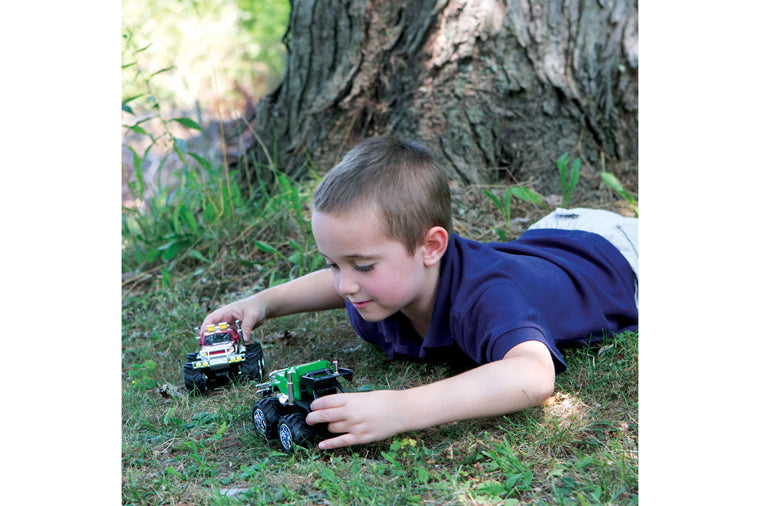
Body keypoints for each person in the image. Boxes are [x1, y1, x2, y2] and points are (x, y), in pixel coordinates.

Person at [201, 135, 638, 450]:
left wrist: (401, 408)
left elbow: (533, 375)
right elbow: (339, 284)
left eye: (363, 266)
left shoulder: (483, 296)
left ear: (431, 248)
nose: (345, 284)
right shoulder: (383, 288)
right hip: (549, 236)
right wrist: (263, 303)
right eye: (336, 264)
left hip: (619, 257)